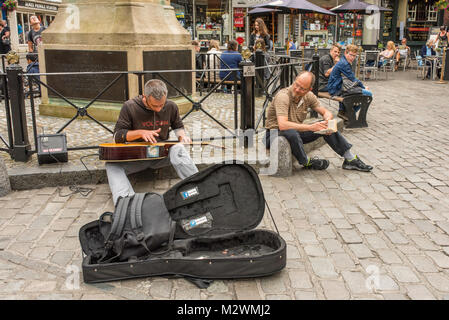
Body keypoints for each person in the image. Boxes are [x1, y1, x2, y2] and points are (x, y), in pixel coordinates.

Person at [106, 79, 198, 205]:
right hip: (136, 158)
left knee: (179, 149)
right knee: (111, 165)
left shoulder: (171, 106)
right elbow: (117, 136)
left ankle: (198, 187)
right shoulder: (130, 106)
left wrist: (182, 137)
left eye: (162, 105)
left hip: (161, 155)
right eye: (155, 106)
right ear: (145, 97)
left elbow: (178, 126)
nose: (159, 109)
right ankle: (126, 203)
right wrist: (140, 133)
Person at [264, 71, 373, 172]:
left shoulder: (309, 96)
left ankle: (350, 159)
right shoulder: (283, 96)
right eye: (296, 85)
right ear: (295, 80)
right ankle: (306, 162)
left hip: (294, 132)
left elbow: (326, 112)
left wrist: (327, 121)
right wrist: (311, 127)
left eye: (302, 88)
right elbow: (283, 125)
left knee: (322, 126)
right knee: (291, 132)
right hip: (273, 134)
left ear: (309, 89)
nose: (297, 89)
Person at [327, 44, 372, 120]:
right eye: (351, 55)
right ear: (345, 53)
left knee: (360, 92)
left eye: (354, 56)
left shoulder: (344, 61)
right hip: (336, 89)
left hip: (337, 86)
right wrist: (364, 87)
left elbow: (350, 80)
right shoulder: (344, 63)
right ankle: (350, 113)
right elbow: (353, 79)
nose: (352, 58)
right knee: (368, 94)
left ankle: (344, 112)